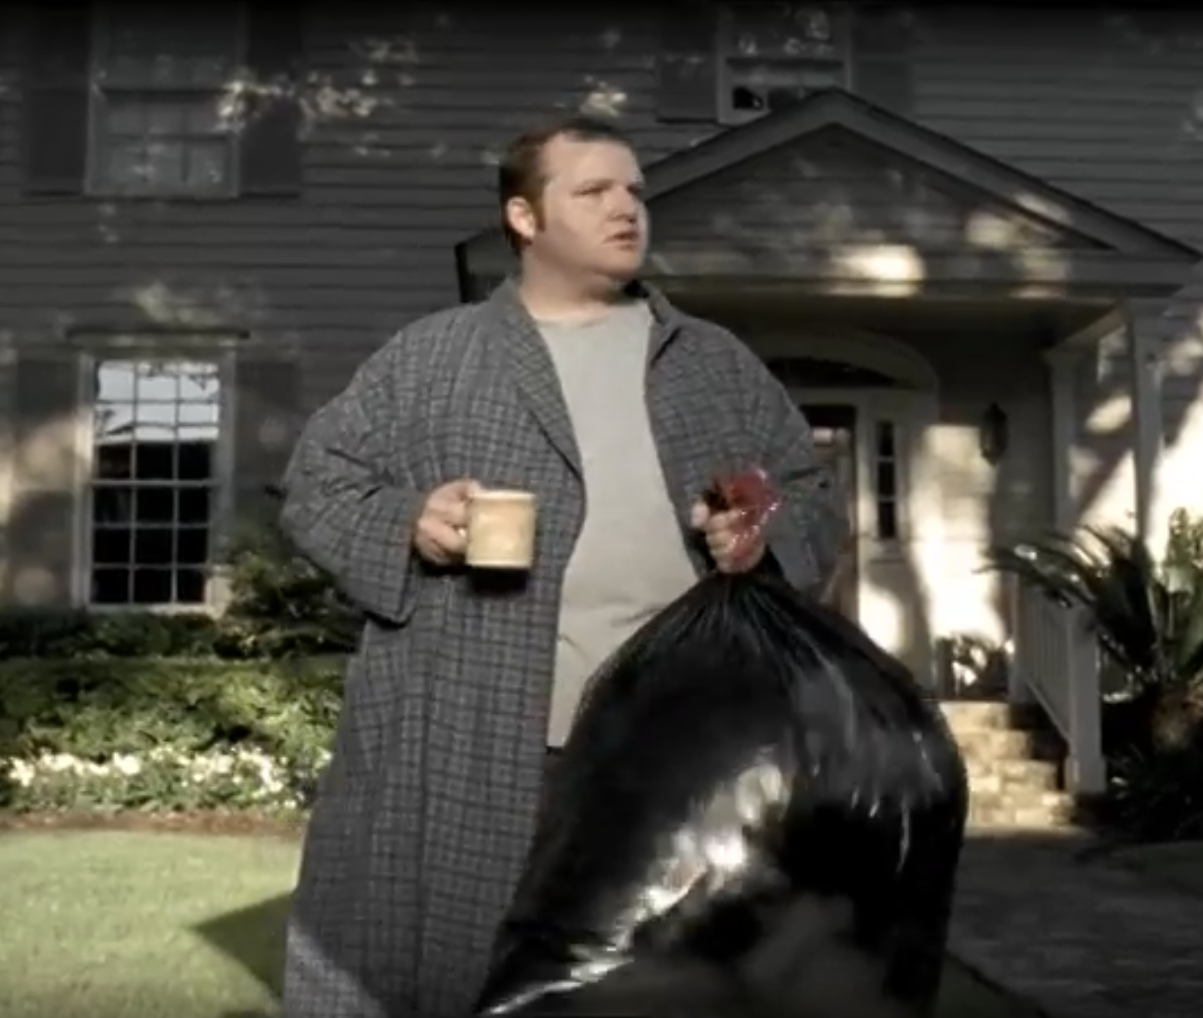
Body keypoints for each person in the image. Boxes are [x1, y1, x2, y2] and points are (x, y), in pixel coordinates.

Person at [277, 114, 847, 1018]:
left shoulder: (712, 363)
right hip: (474, 734)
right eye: (593, 191)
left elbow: (807, 491)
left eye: (634, 191)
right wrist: (410, 521)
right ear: (524, 217)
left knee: (654, 986)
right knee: (468, 970)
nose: (627, 208)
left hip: (670, 744)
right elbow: (319, 482)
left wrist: (759, 535)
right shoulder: (434, 356)